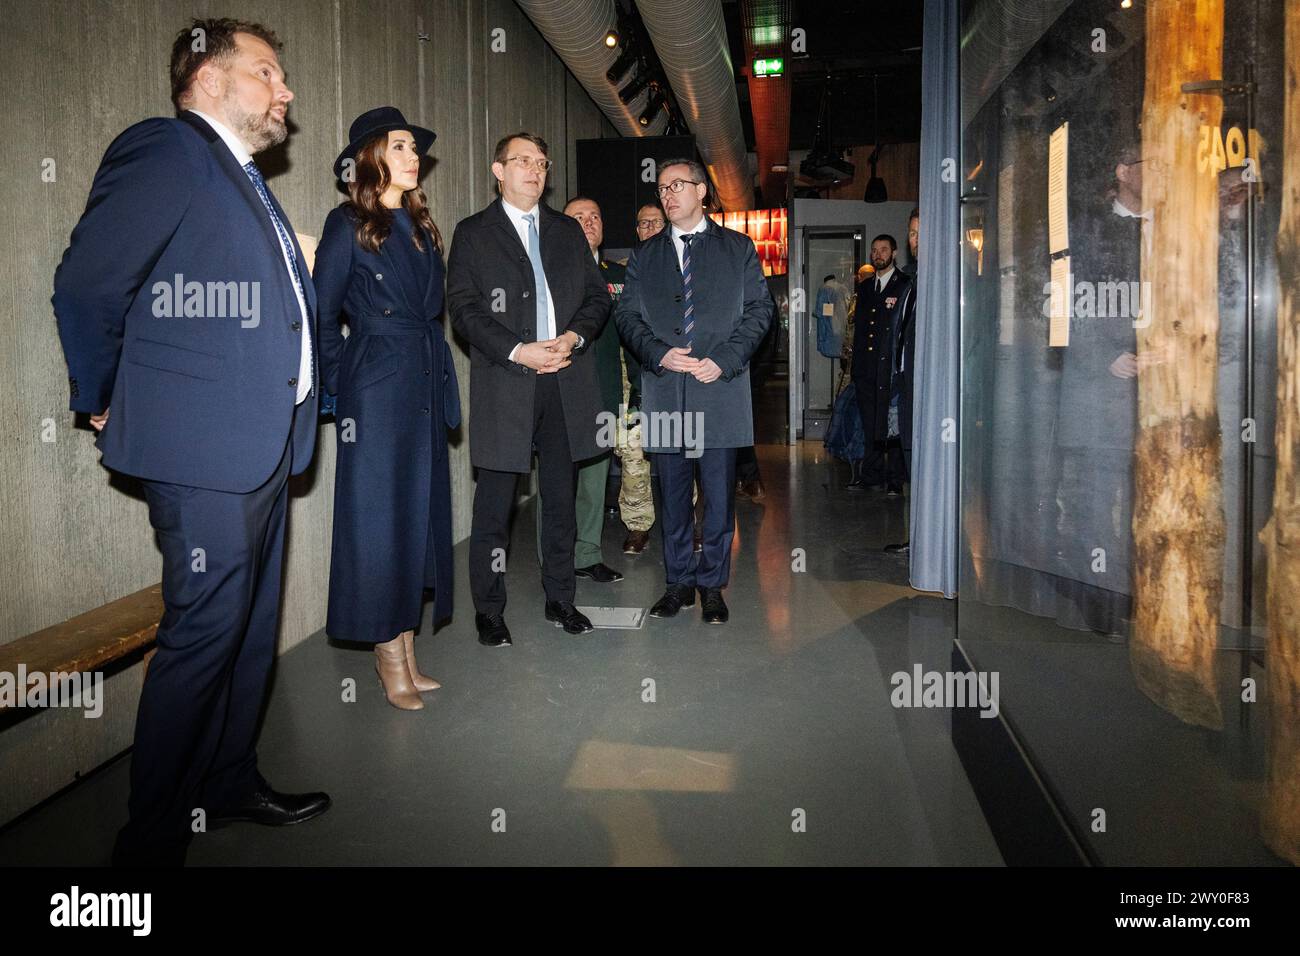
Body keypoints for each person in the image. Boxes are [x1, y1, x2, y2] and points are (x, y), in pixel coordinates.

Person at [52, 18, 330, 866]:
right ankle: (152, 841)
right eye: (268, 74)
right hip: (205, 449)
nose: (286, 93)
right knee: (203, 636)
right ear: (208, 79)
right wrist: (99, 396)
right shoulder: (167, 151)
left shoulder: (244, 178)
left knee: (247, 630)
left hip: (264, 444)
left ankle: (228, 779)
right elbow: (88, 282)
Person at [314, 107, 460, 710]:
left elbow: (433, 312)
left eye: (414, 148)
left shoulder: (423, 226)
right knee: (378, 523)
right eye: (400, 146)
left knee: (415, 519)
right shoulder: (347, 221)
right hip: (374, 391)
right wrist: (336, 389)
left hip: (421, 380)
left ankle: (406, 646)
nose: (412, 156)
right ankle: (386, 654)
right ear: (372, 156)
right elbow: (322, 315)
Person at [446, 132, 610, 644]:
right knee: (495, 506)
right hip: (507, 384)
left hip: (565, 381)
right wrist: (520, 349)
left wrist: (573, 338)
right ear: (499, 171)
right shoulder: (473, 233)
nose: (535, 171)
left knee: (559, 501)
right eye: (522, 162)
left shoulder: (567, 231)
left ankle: (561, 599)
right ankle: (489, 610)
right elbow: (465, 309)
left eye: (542, 162)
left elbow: (598, 298)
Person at [615, 158, 773, 624]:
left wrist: (723, 360)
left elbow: (760, 312)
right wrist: (659, 353)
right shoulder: (646, 256)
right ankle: (679, 582)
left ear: (703, 192)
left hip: (718, 392)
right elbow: (627, 317)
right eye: (662, 188)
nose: (667, 194)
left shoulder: (738, 248)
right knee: (674, 496)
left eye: (677, 185)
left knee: (719, 501)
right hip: (666, 392)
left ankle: (712, 586)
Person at [532, 196, 624, 583]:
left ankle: (587, 554)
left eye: (595, 215)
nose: (588, 222)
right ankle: (553, 560)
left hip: (602, 389)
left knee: (595, 477)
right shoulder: (543, 272)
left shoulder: (619, 275)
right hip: (557, 389)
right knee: (555, 483)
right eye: (578, 217)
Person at [618, 203, 666, 555]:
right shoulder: (621, 275)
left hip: (673, 380)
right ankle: (637, 525)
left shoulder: (683, 271)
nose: (648, 227)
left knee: (681, 451)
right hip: (633, 382)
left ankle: (692, 520)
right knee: (633, 456)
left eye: (655, 223)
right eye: (642, 223)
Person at [850, 234, 912, 495]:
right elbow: (861, 331)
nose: (878, 254)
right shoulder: (865, 288)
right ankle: (872, 474)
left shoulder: (905, 285)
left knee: (893, 424)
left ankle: (895, 480)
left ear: (894, 253)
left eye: (884, 250)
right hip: (866, 369)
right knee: (870, 423)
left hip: (890, 369)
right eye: (874, 251)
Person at [885, 210, 920, 554]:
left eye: (922, 233)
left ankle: (932, 542)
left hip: (932, 390)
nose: (915, 240)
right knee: (910, 462)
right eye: (911, 233)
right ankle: (918, 540)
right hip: (906, 385)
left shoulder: (950, 279)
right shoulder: (908, 280)